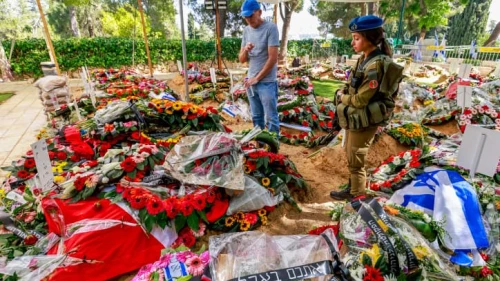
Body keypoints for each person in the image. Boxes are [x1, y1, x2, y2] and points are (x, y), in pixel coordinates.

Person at [329, 15, 403, 203]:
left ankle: (357, 197)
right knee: (351, 154)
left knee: (356, 159)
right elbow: (352, 85)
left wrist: (340, 97)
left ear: (369, 38)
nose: (352, 42)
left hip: (365, 119)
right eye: (353, 37)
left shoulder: (375, 65)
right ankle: (353, 188)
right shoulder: (365, 59)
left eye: (356, 38)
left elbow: (361, 100)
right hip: (358, 118)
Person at [238, 0, 280, 135]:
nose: (248, 19)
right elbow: (241, 59)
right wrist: (245, 50)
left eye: (250, 15)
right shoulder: (246, 31)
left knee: (271, 118)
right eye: (245, 17)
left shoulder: (271, 28)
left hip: (267, 82)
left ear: (259, 12)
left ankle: (274, 151)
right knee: (256, 117)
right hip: (251, 83)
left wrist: (256, 78)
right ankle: (260, 147)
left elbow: (273, 58)